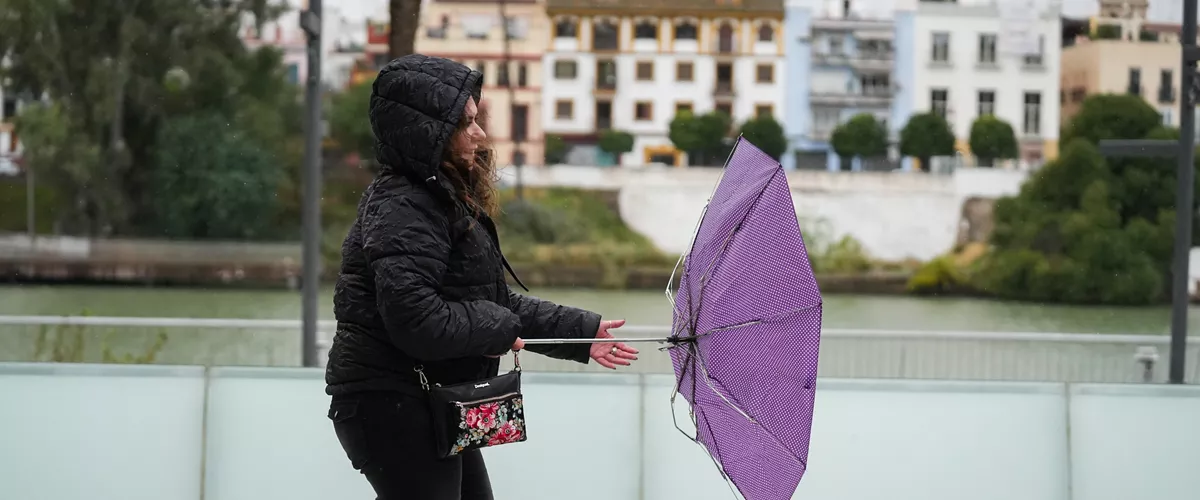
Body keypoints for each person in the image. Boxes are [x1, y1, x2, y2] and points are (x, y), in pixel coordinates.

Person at [323, 54, 641, 500]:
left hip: (430, 396)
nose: (480, 133)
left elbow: (491, 301)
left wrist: (582, 333)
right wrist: (498, 329)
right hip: (391, 402)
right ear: (430, 131)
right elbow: (417, 319)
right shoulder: (404, 205)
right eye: (466, 122)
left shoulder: (438, 198)